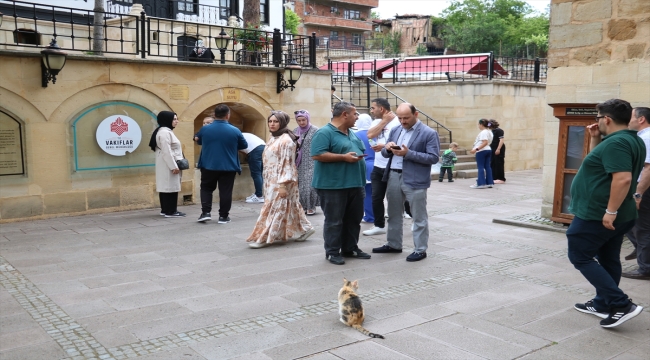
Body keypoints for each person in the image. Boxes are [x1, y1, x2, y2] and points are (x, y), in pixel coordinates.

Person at [569, 99, 645, 328]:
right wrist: (595, 139)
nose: (597, 122)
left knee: (579, 255)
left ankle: (620, 304)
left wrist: (610, 211)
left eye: (598, 118)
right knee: (608, 257)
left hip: (597, 214)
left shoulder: (617, 143)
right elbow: (600, 168)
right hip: (617, 213)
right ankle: (603, 303)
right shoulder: (630, 140)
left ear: (607, 119)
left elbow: (623, 178)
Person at [372, 103, 440, 262]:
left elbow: (433, 158)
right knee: (394, 214)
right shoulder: (395, 130)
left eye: (406, 118)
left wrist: (408, 154)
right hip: (393, 176)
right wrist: (387, 148)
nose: (402, 121)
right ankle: (393, 244)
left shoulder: (429, 133)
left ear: (416, 114)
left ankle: (420, 249)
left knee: (418, 216)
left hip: (415, 179)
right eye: (400, 117)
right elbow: (384, 153)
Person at [311, 101, 371, 265]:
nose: (357, 117)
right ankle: (332, 252)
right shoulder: (324, 133)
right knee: (334, 220)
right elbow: (317, 154)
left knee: (354, 219)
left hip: (356, 184)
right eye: (355, 114)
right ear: (345, 114)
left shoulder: (351, 133)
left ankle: (350, 248)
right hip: (333, 186)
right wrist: (343, 158)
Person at [246, 111, 315, 248]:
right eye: (270, 121)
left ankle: (265, 237)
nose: (272, 124)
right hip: (271, 178)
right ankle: (306, 228)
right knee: (291, 205)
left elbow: (287, 163)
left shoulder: (286, 140)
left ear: (282, 123)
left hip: (282, 179)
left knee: (274, 206)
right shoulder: (274, 137)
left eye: (275, 121)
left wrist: (283, 185)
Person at [195, 104, 247, 223]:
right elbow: (244, 145)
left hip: (209, 164)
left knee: (206, 188)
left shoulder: (205, 129)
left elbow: (200, 141)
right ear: (228, 115)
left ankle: (205, 212)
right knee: (225, 191)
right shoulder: (235, 130)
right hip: (228, 165)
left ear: (214, 115)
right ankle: (223, 216)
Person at [362, 98, 400, 236]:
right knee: (376, 196)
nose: (371, 111)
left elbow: (402, 143)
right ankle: (379, 225)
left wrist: (383, 146)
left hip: (393, 166)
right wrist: (384, 121)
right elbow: (370, 135)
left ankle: (405, 221)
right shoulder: (378, 121)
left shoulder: (398, 121)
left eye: (373, 108)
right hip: (378, 166)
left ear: (381, 109)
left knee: (396, 198)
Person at [622, 107, 650, 280]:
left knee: (641, 228)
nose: (628, 120)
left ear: (641, 119)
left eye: (631, 117)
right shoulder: (642, 137)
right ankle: (640, 250)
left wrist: (638, 194)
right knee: (631, 224)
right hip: (643, 188)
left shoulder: (646, 138)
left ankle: (645, 268)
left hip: (644, 189)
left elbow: (648, 168)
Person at [149, 111, 185, 218]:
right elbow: (167, 151)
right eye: (174, 119)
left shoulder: (164, 131)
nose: (176, 121)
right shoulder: (165, 132)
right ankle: (171, 211)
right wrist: (173, 166)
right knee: (170, 187)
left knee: (166, 187)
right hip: (169, 164)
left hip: (166, 163)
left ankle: (165, 210)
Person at [293, 109, 320, 215]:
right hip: (299, 161)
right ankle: (303, 205)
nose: (301, 123)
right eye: (299, 120)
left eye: (303, 120)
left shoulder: (315, 130)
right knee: (301, 185)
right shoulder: (296, 131)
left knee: (309, 184)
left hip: (311, 160)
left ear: (308, 119)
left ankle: (311, 206)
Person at [353, 114, 376, 223]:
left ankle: (370, 216)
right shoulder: (375, 134)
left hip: (364, 166)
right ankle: (376, 215)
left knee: (366, 194)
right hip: (377, 165)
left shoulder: (355, 135)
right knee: (375, 194)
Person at [240, 132, 266, 204]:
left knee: (256, 173)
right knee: (259, 173)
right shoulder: (242, 134)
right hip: (263, 147)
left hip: (255, 150)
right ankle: (258, 194)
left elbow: (237, 150)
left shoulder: (234, 136)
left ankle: (259, 196)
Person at [469, 119, 495, 189]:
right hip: (488, 149)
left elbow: (485, 142)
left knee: (480, 167)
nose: (478, 126)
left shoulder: (483, 132)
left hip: (482, 151)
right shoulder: (490, 132)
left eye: (478, 124)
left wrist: (476, 149)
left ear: (481, 124)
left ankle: (481, 183)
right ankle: (489, 182)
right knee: (487, 166)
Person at [489, 119, 506, 184]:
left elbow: (501, 140)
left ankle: (501, 178)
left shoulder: (499, 130)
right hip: (493, 148)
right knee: (493, 163)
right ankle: (494, 177)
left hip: (498, 148)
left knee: (499, 163)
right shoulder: (492, 131)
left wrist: (498, 149)